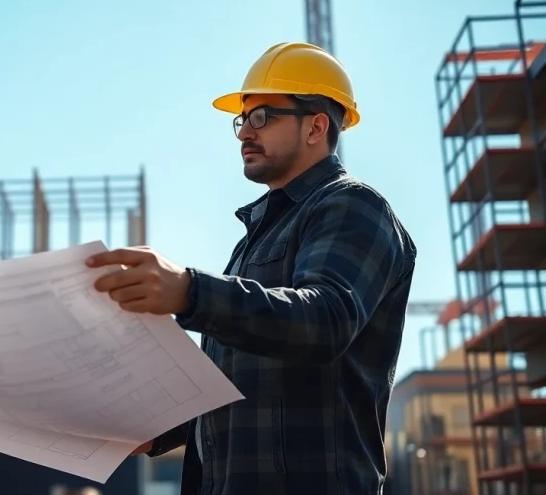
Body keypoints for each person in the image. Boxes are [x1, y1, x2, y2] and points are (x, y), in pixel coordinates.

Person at [86, 42, 417, 495]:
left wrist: (190, 290)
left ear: (316, 127)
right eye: (242, 120)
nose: (244, 132)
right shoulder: (257, 239)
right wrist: (157, 429)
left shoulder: (354, 206)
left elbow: (325, 321)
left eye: (262, 116)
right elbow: (238, 385)